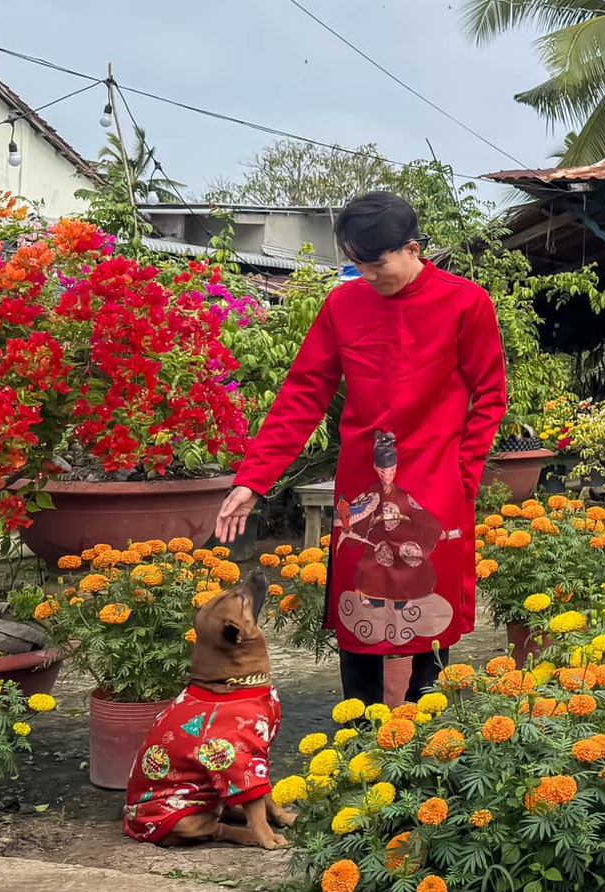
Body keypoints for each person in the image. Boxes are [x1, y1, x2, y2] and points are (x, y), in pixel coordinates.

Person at [215, 191, 506, 705]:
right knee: (362, 608)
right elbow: (302, 394)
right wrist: (252, 479)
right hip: (363, 486)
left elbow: (489, 396)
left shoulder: (466, 302)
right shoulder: (343, 305)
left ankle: (427, 735)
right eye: (356, 264)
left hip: (438, 482)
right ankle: (360, 735)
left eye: (376, 264)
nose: (366, 275)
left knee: (428, 609)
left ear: (413, 248)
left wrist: (465, 474)